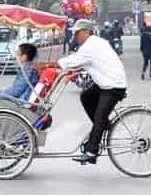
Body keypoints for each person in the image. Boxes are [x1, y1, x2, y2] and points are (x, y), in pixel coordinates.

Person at [54, 19, 128, 164]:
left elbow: (76, 60)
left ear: (86, 32)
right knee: (86, 97)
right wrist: (75, 71)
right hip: (105, 83)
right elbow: (90, 63)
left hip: (113, 85)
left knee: (99, 117)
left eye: (77, 33)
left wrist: (50, 65)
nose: (75, 36)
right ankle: (103, 126)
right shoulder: (93, 44)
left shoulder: (92, 45)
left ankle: (91, 151)